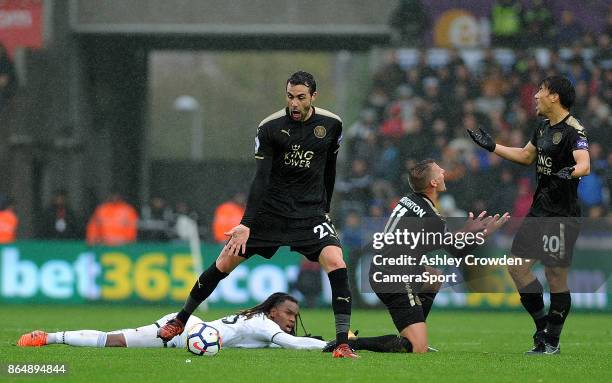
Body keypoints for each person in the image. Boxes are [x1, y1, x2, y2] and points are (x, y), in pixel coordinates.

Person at [157, 71, 357, 358]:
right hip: (270, 213)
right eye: (290, 97)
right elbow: (260, 179)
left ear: (314, 96)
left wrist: (324, 209)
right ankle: (180, 320)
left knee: (337, 262)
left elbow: (330, 167)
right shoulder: (270, 128)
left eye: (301, 98)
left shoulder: (332, 124)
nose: (295, 104)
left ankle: (342, 343)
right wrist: (246, 224)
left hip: (309, 213)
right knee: (224, 261)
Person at [468, 75, 590, 354]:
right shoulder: (543, 127)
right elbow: (526, 156)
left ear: (554, 96)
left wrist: (570, 171)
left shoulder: (574, 130)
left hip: (562, 214)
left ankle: (552, 341)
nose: (535, 95)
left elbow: (585, 164)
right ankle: (542, 326)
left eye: (541, 91)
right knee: (516, 267)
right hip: (539, 211)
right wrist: (492, 147)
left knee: (555, 275)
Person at [369, 159, 509, 353]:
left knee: (434, 277)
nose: (443, 171)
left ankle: (417, 330)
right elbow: (456, 250)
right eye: (439, 171)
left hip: (387, 268)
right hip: (395, 277)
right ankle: (354, 342)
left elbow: (438, 240)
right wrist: (484, 234)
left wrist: (466, 232)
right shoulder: (429, 215)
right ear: (433, 183)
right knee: (417, 348)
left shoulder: (410, 200)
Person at [17, 293, 325, 350]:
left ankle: (52, 337)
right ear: (274, 312)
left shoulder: (261, 322)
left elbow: (292, 342)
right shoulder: (263, 324)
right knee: (113, 341)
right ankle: (49, 337)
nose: (292, 320)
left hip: (194, 332)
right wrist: (334, 342)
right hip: (182, 334)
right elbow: (292, 344)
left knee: (115, 341)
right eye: (289, 314)